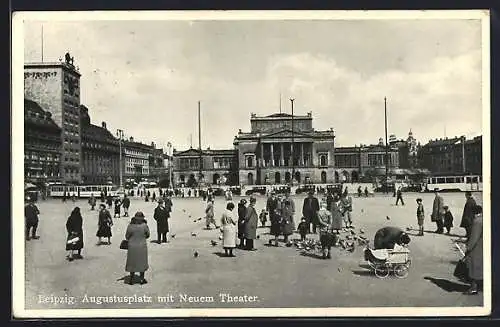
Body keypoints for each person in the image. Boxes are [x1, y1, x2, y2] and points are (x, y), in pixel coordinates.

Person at [125, 211, 150, 285]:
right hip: (142, 246)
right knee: (142, 262)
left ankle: (131, 279)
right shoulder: (144, 226)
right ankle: (142, 279)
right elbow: (148, 235)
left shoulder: (130, 226)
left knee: (132, 262)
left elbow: (127, 236)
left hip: (132, 246)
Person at [463, 205, 483, 295]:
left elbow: (474, 237)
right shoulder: (484, 219)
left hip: (477, 248)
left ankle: (473, 288)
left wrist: (468, 247)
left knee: (473, 267)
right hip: (483, 246)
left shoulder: (477, 221)